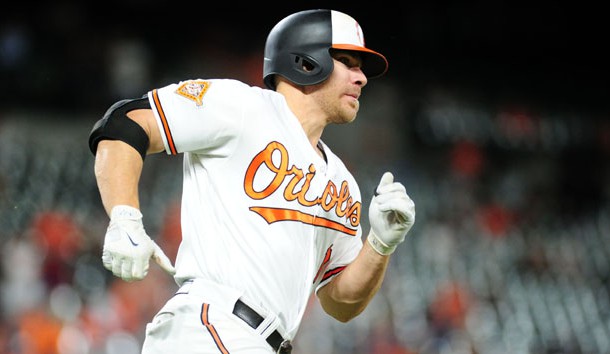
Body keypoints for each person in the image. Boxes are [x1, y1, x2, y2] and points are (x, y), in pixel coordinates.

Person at [88, 8, 415, 354]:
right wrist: (124, 215)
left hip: (259, 342)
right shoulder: (242, 106)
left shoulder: (341, 181)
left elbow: (340, 302)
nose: (361, 77)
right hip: (211, 326)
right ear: (306, 61)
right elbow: (124, 124)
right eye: (348, 62)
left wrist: (380, 244)